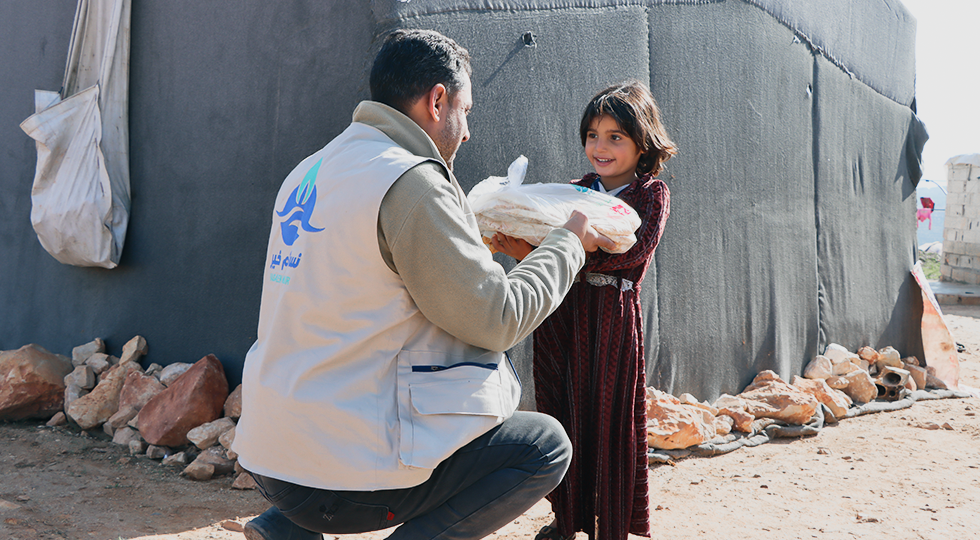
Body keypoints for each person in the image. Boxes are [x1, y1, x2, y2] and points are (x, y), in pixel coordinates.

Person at [232, 29, 615, 540]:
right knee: (543, 446)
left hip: (273, 458)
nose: (468, 131)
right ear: (438, 100)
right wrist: (567, 243)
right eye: (467, 110)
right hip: (342, 484)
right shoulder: (410, 179)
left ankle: (286, 529)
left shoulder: (314, 168)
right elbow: (494, 319)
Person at [491, 80, 677, 540]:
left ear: (642, 142)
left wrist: (577, 243)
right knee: (562, 410)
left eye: (616, 136)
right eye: (593, 135)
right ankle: (566, 518)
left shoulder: (651, 195)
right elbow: (545, 249)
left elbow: (627, 253)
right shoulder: (572, 192)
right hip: (561, 313)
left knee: (608, 417)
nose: (601, 146)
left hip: (610, 319)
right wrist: (520, 246)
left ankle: (608, 527)